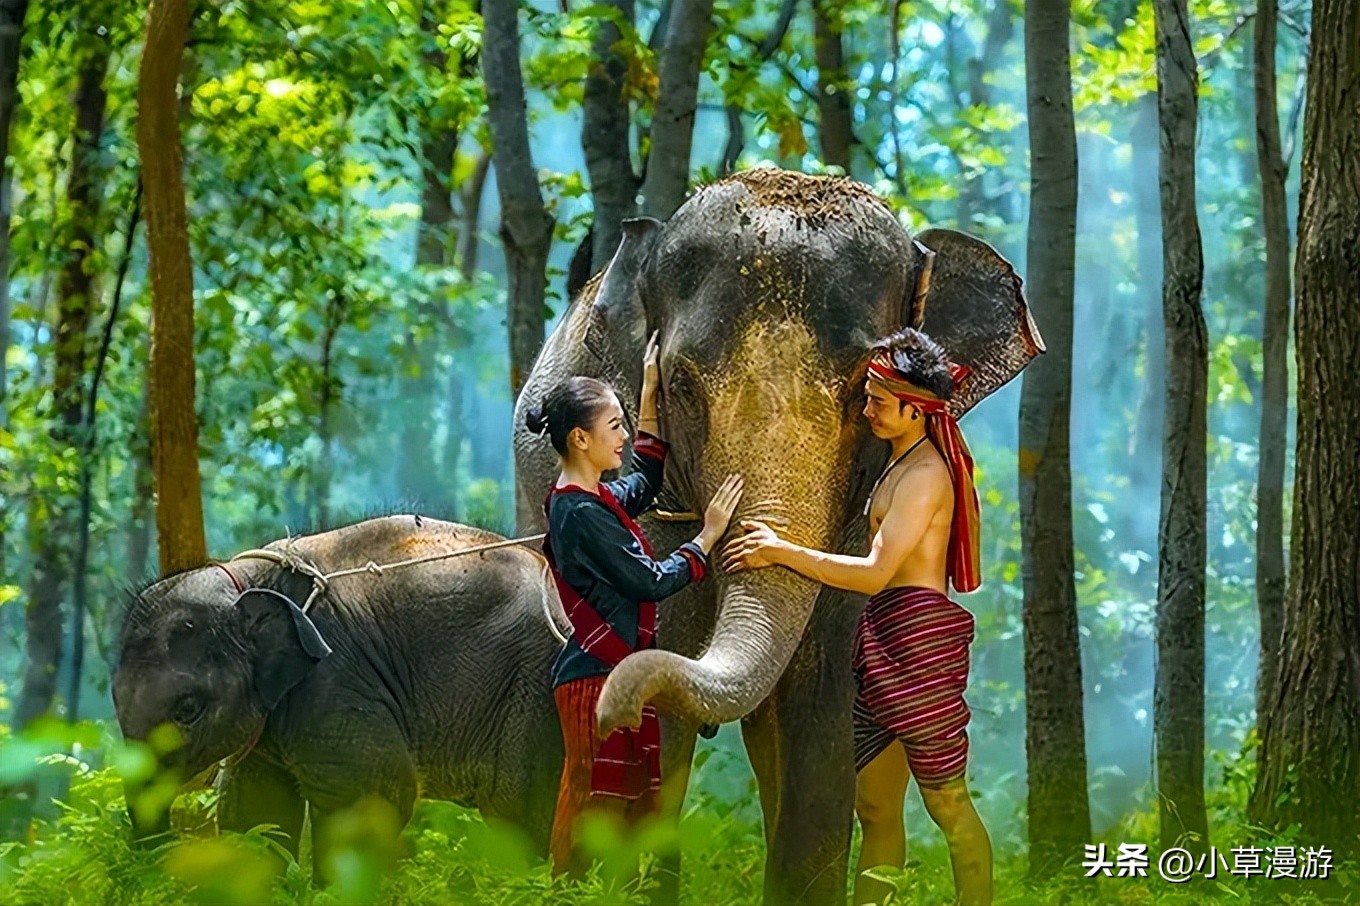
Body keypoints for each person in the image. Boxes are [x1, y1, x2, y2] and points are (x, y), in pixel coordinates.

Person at [723, 326, 993, 906]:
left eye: (877, 400)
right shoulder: (897, 464)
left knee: (947, 802)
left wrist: (780, 551)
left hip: (918, 640)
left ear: (916, 410)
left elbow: (874, 572)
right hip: (882, 636)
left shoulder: (924, 477)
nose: (866, 408)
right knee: (873, 804)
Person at [526, 331, 744, 877]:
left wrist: (648, 395)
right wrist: (707, 539)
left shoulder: (594, 497)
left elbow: (643, 482)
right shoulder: (581, 514)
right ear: (580, 438)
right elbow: (648, 581)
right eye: (614, 426)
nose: (622, 437)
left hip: (620, 675)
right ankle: (567, 891)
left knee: (630, 806)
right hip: (594, 680)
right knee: (593, 802)